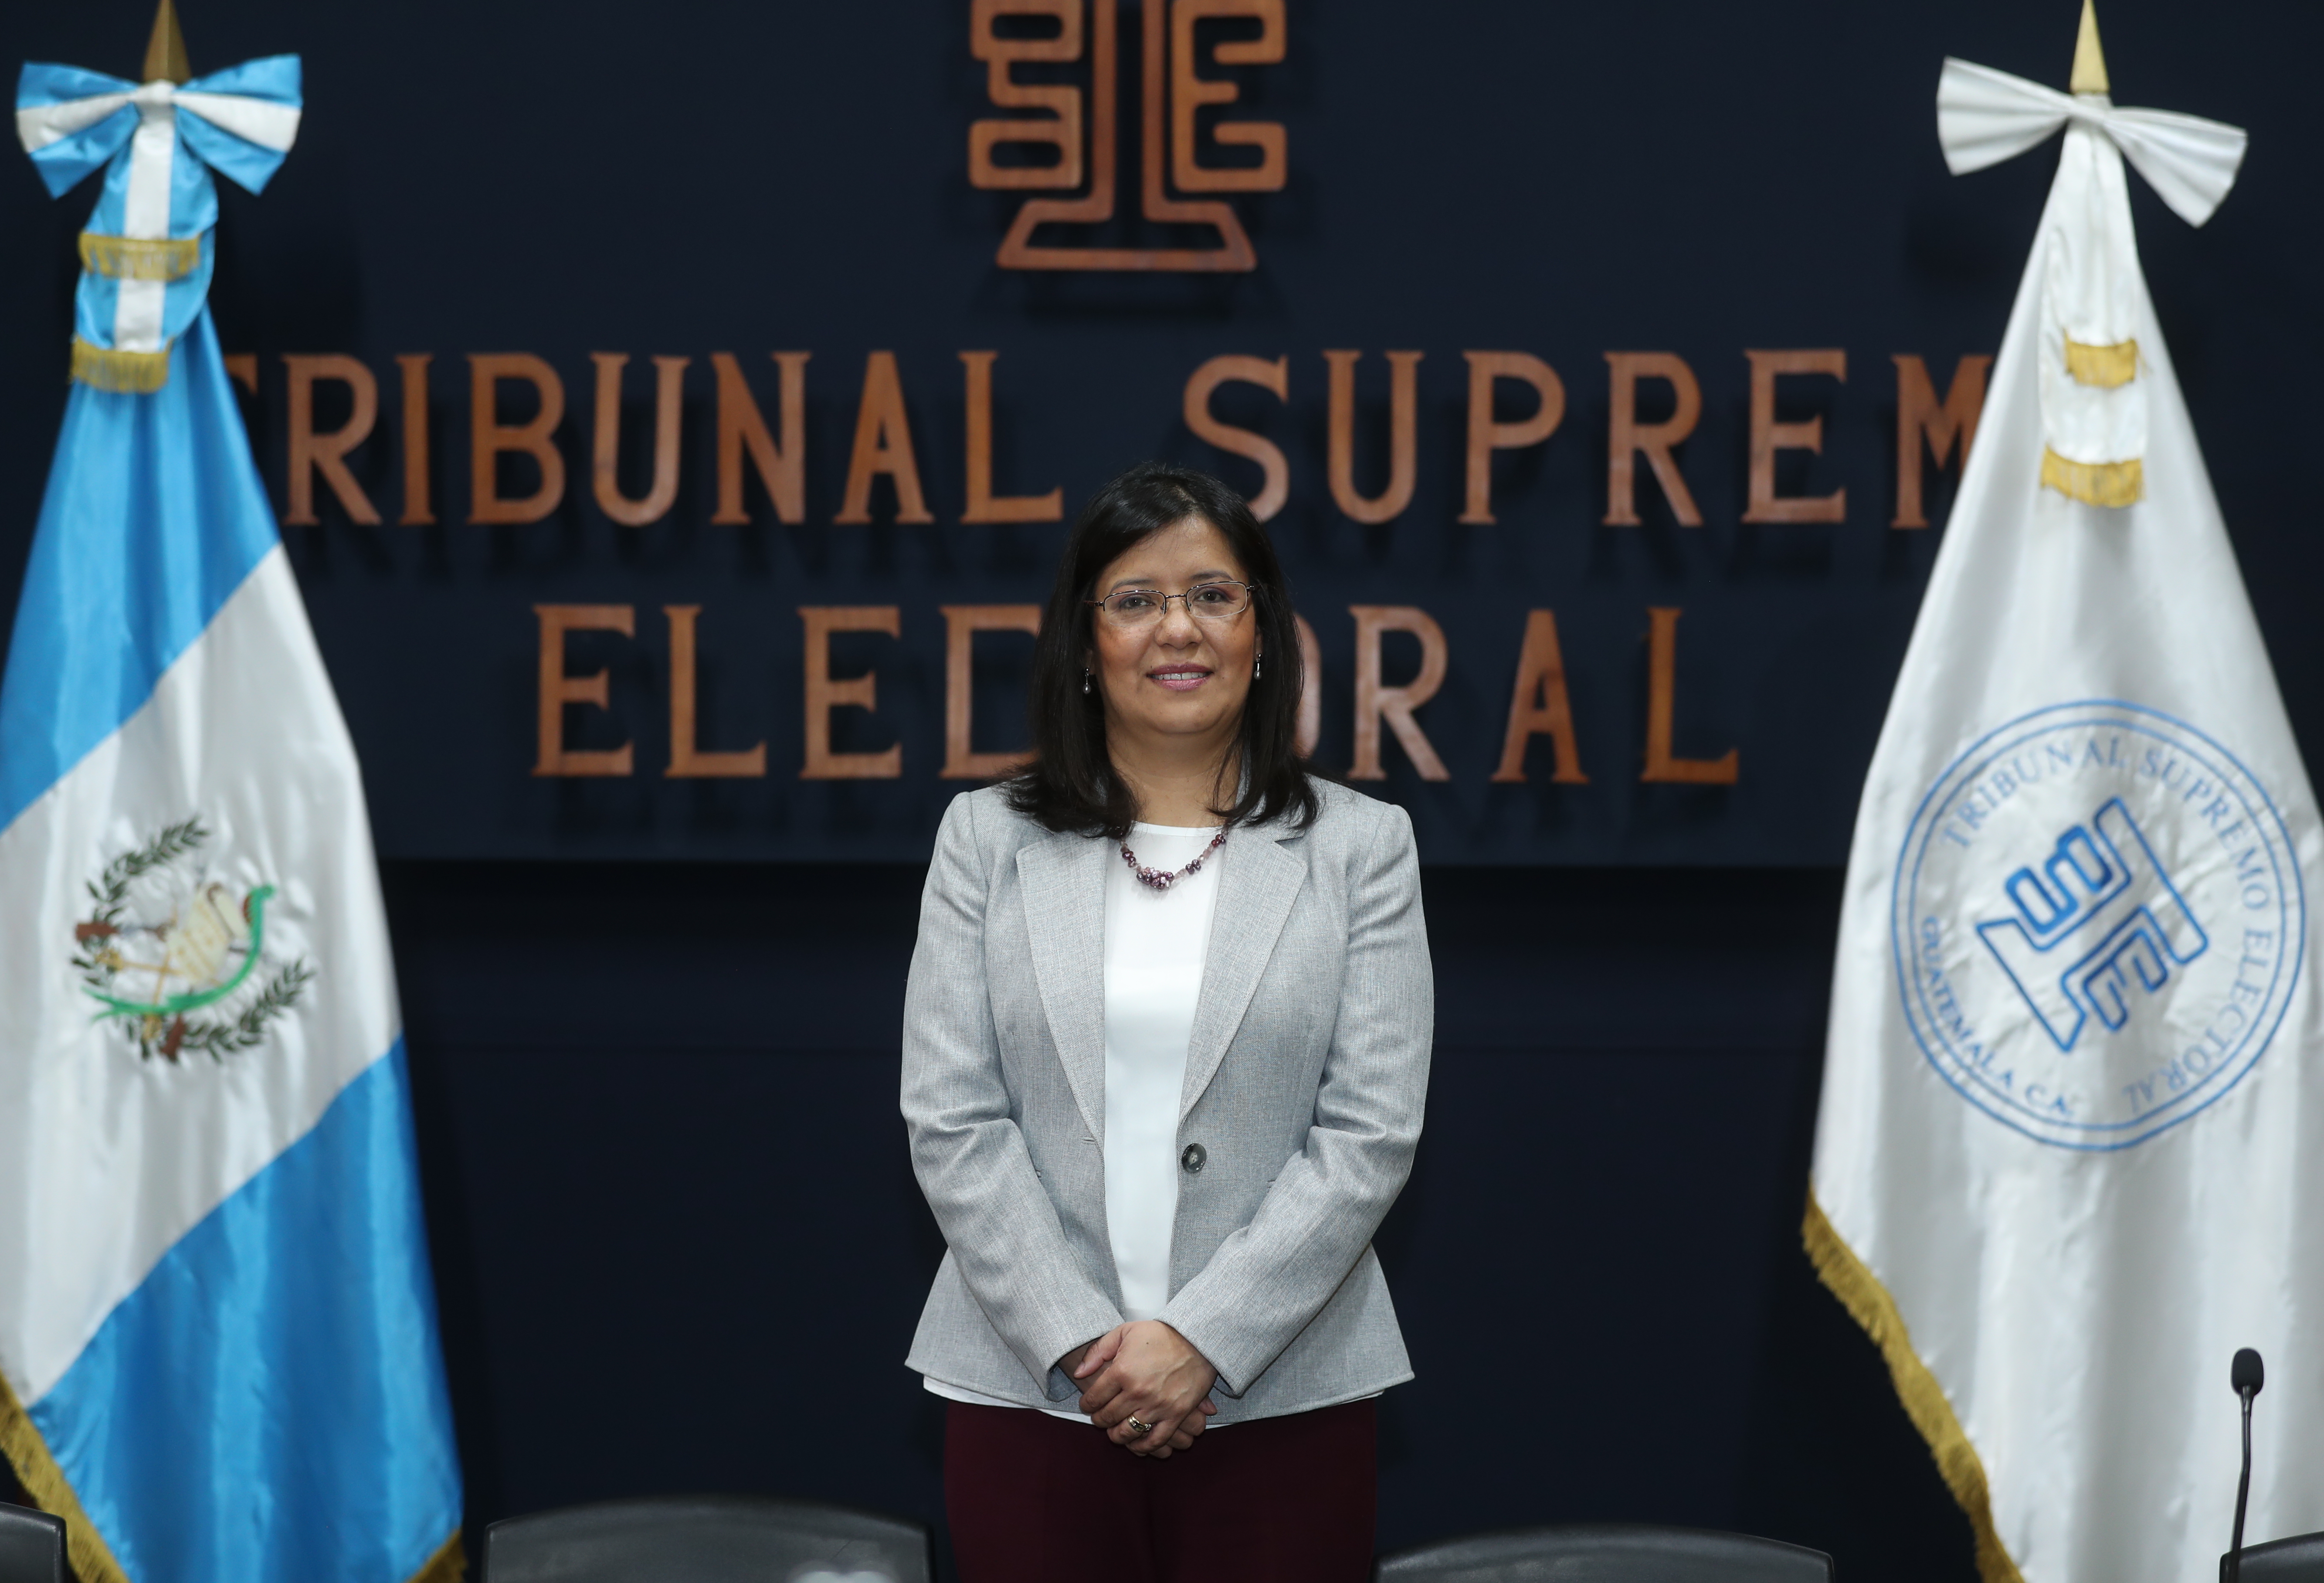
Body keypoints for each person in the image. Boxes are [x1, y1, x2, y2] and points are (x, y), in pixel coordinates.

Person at [900, 461, 1434, 1583]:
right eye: (1136, 599)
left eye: (1212, 595)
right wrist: (1085, 1343)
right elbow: (952, 1117)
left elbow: (1369, 1131)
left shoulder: (1362, 847)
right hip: (1031, 1391)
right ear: (1084, 641)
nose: (1176, 628)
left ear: (1261, 633)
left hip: (1285, 1396)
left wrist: (1204, 1339)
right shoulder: (984, 839)